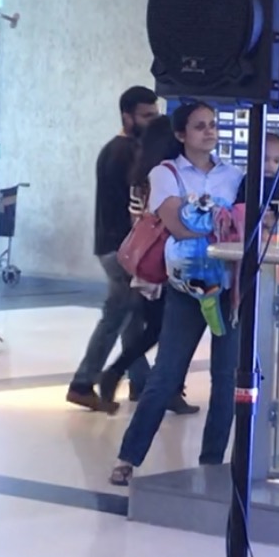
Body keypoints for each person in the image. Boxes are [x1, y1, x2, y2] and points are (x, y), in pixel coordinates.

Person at [110, 102, 244, 487]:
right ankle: (128, 457)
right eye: (200, 126)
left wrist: (216, 221)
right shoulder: (165, 173)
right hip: (186, 288)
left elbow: (245, 224)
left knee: (226, 379)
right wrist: (221, 224)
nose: (209, 131)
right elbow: (179, 226)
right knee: (166, 375)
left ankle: (211, 462)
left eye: (213, 125)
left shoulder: (234, 175)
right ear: (181, 134)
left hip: (228, 289)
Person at [66, 85, 180, 412]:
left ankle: (137, 382)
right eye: (146, 116)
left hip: (118, 248)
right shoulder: (129, 154)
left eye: (155, 115)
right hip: (125, 250)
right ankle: (84, 382)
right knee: (118, 315)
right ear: (127, 116)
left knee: (132, 317)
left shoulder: (116, 150)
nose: (152, 121)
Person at [96, 115, 179, 413]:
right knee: (164, 329)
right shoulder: (168, 176)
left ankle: (125, 374)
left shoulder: (140, 176)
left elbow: (136, 221)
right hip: (170, 261)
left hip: (147, 264)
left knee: (156, 328)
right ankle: (135, 378)